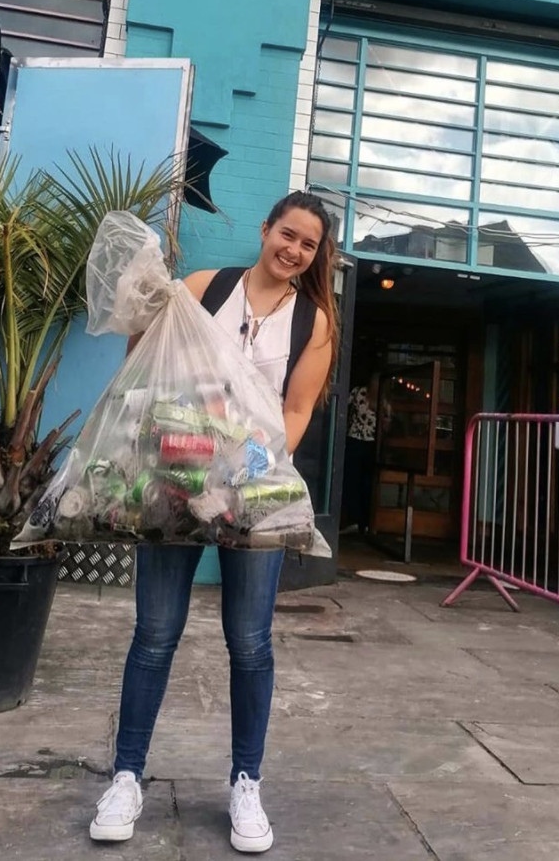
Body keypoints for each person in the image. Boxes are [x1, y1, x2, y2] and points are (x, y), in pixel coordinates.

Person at [90, 190, 339, 854]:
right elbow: (145, 364)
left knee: (250, 641)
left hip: (255, 494)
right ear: (265, 229)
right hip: (176, 481)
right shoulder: (205, 286)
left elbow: (296, 413)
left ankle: (246, 782)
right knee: (155, 631)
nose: (293, 250)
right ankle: (126, 777)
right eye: (286, 234)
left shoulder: (314, 322)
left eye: (307, 245)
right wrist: (141, 301)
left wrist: (246, 463)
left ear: (316, 255)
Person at [341, 373, 380, 534]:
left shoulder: (382, 398)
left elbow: (388, 422)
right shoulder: (359, 393)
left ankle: (364, 522)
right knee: (352, 482)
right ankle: (353, 520)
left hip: (370, 444)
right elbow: (343, 403)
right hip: (355, 440)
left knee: (366, 484)